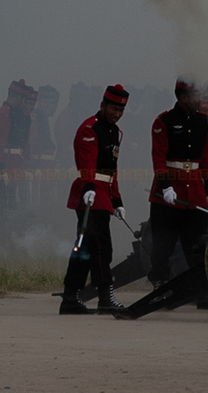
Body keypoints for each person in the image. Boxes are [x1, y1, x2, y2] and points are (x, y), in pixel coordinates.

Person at [58, 84, 130, 315]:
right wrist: (89, 186)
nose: (117, 114)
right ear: (102, 105)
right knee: (101, 247)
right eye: (113, 109)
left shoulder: (114, 132)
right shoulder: (90, 129)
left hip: (104, 194)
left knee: (85, 249)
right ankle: (105, 297)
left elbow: (112, 170)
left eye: (120, 110)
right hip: (91, 195)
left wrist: (117, 200)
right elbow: (86, 162)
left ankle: (70, 298)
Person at [147, 76, 208, 290]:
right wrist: (166, 186)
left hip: (194, 192)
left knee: (197, 246)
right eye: (195, 96)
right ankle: (160, 284)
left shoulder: (205, 123)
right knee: (163, 246)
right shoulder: (164, 122)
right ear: (182, 97)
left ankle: (201, 290)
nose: (200, 100)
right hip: (168, 193)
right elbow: (158, 160)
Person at [0, 79, 37, 243]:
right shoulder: (4, 114)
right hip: (3, 167)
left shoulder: (13, 114)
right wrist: (1, 169)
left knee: (7, 204)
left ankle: (2, 237)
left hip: (11, 166)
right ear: (18, 97)